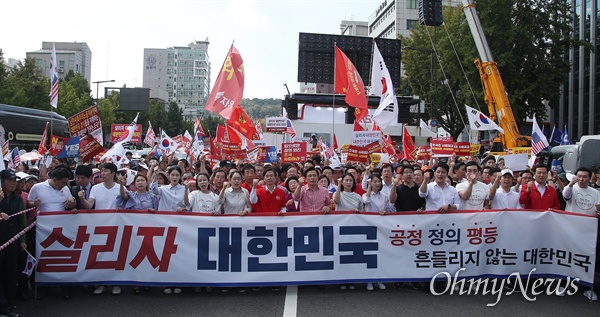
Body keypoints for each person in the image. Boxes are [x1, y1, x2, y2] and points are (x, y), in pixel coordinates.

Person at [28, 166, 76, 299]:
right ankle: (44, 287)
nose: (64, 185)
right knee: (44, 257)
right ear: (54, 179)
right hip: (44, 230)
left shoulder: (65, 189)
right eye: (62, 182)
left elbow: (71, 202)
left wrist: (72, 203)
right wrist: (34, 204)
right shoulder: (37, 187)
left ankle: (65, 287)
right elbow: (29, 203)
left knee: (63, 257)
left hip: (61, 228)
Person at [79, 163, 122, 296]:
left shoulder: (120, 188)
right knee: (100, 254)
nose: (102, 173)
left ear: (113, 173)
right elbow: (90, 205)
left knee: (115, 254)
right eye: (101, 171)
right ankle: (101, 283)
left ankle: (116, 283)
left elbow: (125, 204)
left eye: (105, 171)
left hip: (116, 226)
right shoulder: (96, 188)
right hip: (99, 226)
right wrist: (82, 199)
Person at [0, 170, 27, 317]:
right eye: (9, 180)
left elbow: (22, 221)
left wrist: (22, 240)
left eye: (14, 180)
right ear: (2, 181)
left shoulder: (17, 199)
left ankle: (10, 303)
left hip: (12, 241)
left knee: (10, 272)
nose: (13, 183)